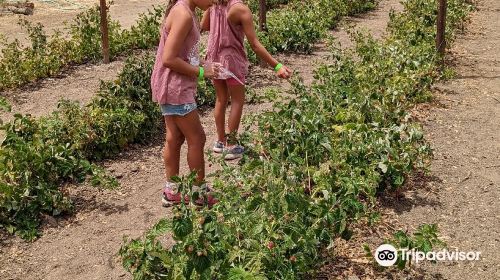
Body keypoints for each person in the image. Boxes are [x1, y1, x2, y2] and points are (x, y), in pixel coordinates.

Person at [202, 0, 293, 160]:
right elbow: (255, 44)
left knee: (221, 99)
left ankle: (220, 142)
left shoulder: (214, 4)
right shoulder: (240, 9)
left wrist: (219, 21)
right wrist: (277, 65)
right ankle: (231, 146)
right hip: (232, 60)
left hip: (213, 57)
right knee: (237, 100)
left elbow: (205, 25)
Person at [151, 0, 219, 206]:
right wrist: (200, 72)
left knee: (175, 137)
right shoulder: (184, 14)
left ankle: (172, 191)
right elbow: (169, 58)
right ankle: (199, 193)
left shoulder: (186, 10)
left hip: (169, 85)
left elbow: (181, 54)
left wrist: (201, 64)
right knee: (197, 138)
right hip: (176, 88)